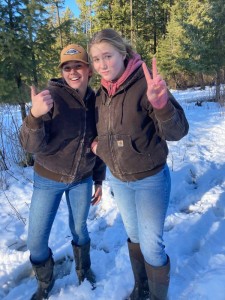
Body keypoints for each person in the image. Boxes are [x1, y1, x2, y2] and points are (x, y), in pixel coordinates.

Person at [88, 29, 189, 300]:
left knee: (152, 246)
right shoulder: (100, 96)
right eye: (96, 59)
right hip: (120, 180)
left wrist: (162, 105)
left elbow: (177, 132)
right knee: (133, 236)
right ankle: (141, 288)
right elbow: (103, 135)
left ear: (122, 54)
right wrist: (100, 148)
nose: (101, 64)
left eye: (107, 56)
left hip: (150, 180)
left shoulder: (146, 85)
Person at [20, 43, 106, 300]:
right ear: (62, 71)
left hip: (82, 179)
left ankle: (84, 270)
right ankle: (45, 283)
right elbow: (29, 145)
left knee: (80, 229)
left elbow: (99, 141)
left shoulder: (97, 101)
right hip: (48, 179)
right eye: (67, 67)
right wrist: (34, 116)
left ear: (88, 70)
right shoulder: (50, 97)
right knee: (35, 241)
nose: (72, 71)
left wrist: (98, 178)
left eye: (78, 65)